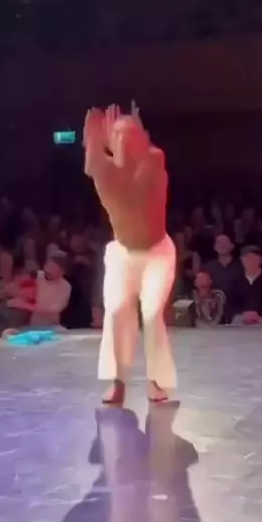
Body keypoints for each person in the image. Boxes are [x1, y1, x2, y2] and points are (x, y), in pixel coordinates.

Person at [83, 101, 176, 405]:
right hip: (123, 253)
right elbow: (92, 166)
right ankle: (118, 381)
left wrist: (133, 141)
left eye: (132, 135)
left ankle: (156, 380)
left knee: (151, 312)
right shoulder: (106, 172)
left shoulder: (154, 160)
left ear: (142, 138)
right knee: (115, 309)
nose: (125, 140)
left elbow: (143, 177)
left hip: (157, 252)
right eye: (119, 135)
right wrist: (93, 141)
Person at [230, 245, 262, 326]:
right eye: (246, 258)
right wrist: (244, 314)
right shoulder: (237, 281)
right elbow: (232, 304)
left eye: (253, 258)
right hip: (242, 318)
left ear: (260, 260)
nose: (249, 261)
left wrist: (258, 316)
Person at [204, 234, 242, 321]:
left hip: (236, 310)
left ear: (232, 246)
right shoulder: (208, 267)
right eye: (219, 242)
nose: (222, 245)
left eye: (225, 242)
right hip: (214, 310)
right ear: (214, 247)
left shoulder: (240, 266)